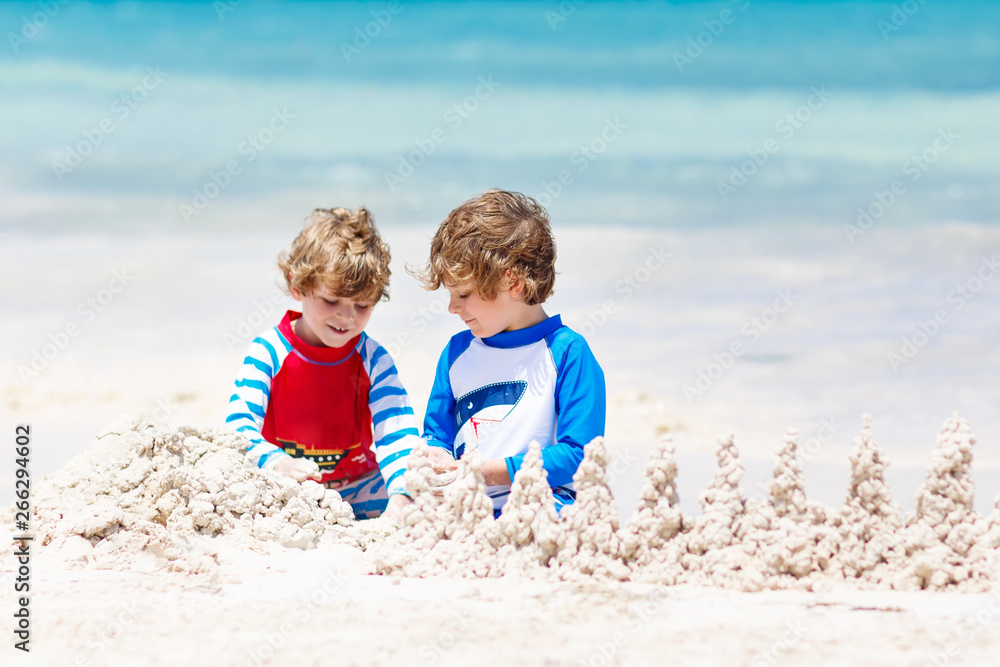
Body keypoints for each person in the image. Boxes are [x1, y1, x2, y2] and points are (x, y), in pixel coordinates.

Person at [412, 189, 606, 514]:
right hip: (468, 508)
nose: (451, 307)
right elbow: (436, 433)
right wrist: (437, 456)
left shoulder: (567, 353)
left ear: (512, 283)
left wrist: (487, 473)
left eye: (464, 293)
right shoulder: (457, 352)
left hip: (541, 507)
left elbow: (581, 455)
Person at [227, 207, 419, 519]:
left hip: (358, 484)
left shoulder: (373, 358)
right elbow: (239, 426)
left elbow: (397, 432)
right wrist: (278, 463)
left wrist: (400, 495)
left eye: (362, 305)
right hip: (286, 484)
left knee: (426, 498)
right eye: (331, 301)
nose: (347, 316)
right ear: (297, 285)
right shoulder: (269, 351)